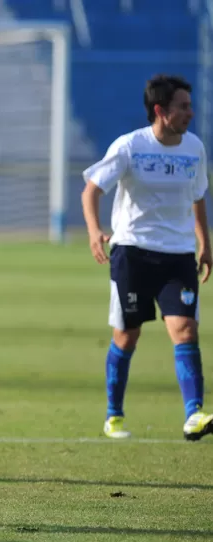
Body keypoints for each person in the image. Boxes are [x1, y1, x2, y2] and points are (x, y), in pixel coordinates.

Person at [82, 74, 213, 441]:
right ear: (160, 110)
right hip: (133, 254)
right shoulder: (130, 146)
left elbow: (198, 196)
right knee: (127, 335)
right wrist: (94, 231)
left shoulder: (194, 148)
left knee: (185, 329)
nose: (191, 112)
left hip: (178, 255)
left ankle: (193, 415)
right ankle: (114, 415)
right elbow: (91, 190)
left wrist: (206, 242)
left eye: (190, 105)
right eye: (183, 106)